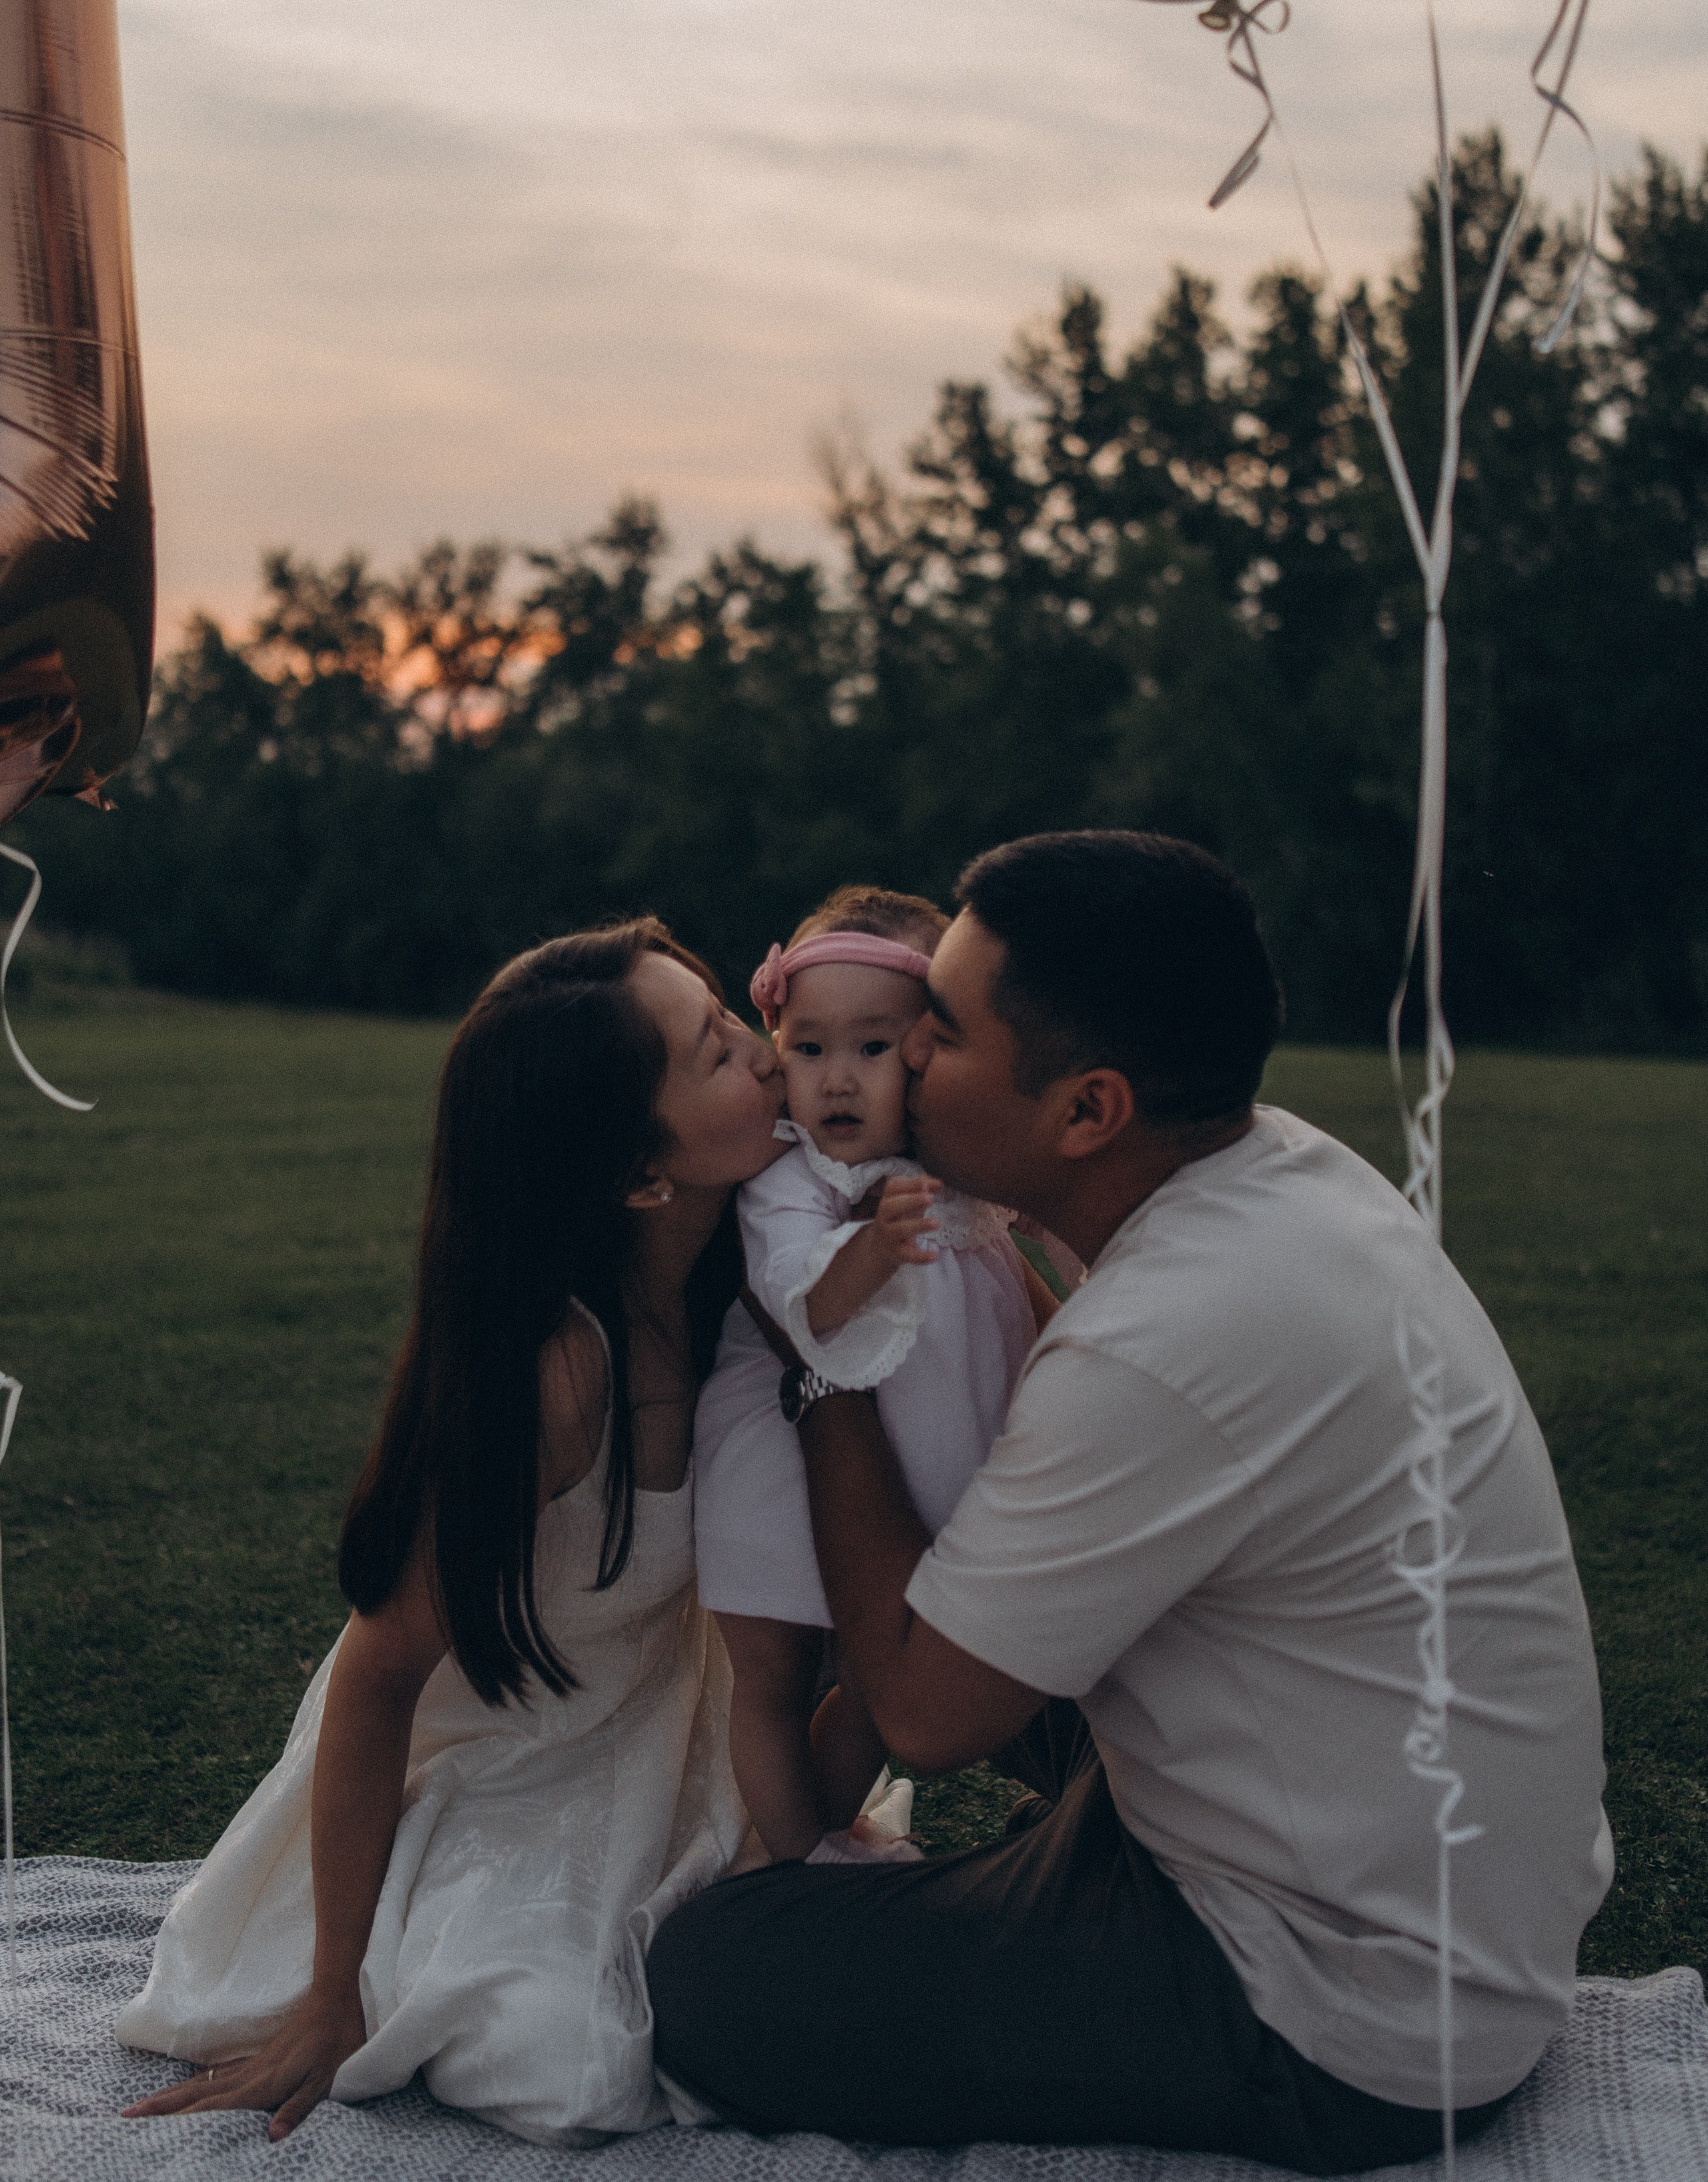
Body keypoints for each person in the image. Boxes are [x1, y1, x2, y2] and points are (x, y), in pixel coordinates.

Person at [649, 831, 1614, 2175]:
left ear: (1086, 1109)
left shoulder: (1173, 1333)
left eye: (938, 1029)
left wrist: (824, 1370)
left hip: (1344, 2008)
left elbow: (926, 1713)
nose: (898, 1057)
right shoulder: (1279, 1173)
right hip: (1409, 1869)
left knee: (710, 1973)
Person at [117, 921, 785, 2147]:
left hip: (666, 1740)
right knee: (565, 2067)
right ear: (643, 1172)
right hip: (495, 1769)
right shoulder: (555, 1375)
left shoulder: (759, 1266)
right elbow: (376, 1683)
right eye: (719, 1049)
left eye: (731, 1016)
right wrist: (333, 1999)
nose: (767, 1053)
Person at [694, 887, 1053, 1863]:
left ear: (930, 1053)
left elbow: (1043, 1211)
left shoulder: (952, 1161)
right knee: (771, 1679)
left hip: (907, 1476)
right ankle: (795, 1849)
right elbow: (795, 1292)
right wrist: (875, 1249)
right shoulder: (796, 1178)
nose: (837, 1081)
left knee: (871, 1676)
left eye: (873, 1048)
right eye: (808, 1049)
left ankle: (815, 1839)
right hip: (778, 1467)